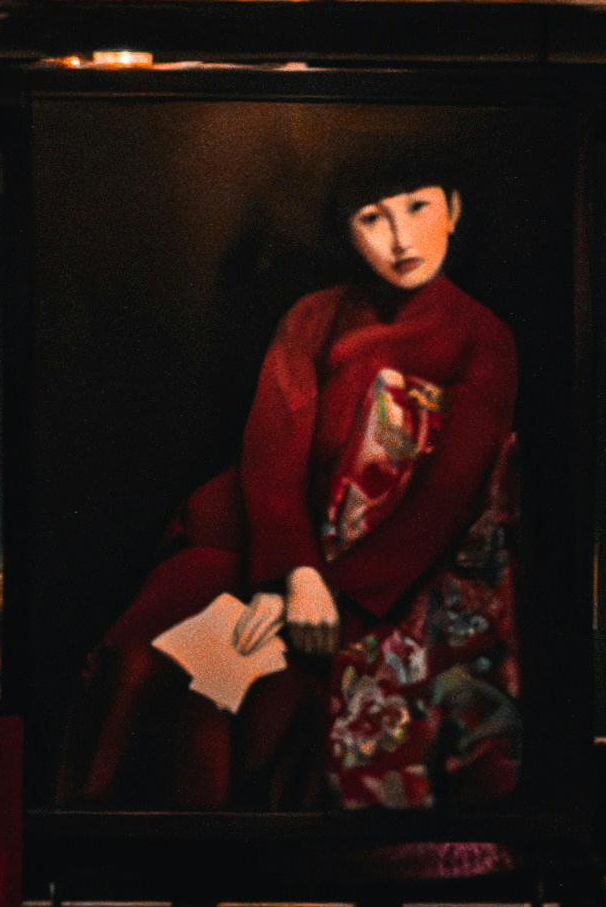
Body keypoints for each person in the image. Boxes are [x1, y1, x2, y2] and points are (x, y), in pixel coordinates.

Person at [78, 170, 525, 813]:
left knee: (234, 690)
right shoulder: (316, 316)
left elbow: (446, 497)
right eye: (373, 218)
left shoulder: (483, 338)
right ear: (347, 230)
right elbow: (272, 457)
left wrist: (332, 594)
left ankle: (224, 874)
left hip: (393, 578)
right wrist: (296, 576)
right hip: (274, 549)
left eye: (418, 207)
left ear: (453, 207)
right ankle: (93, 850)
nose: (401, 238)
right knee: (135, 656)